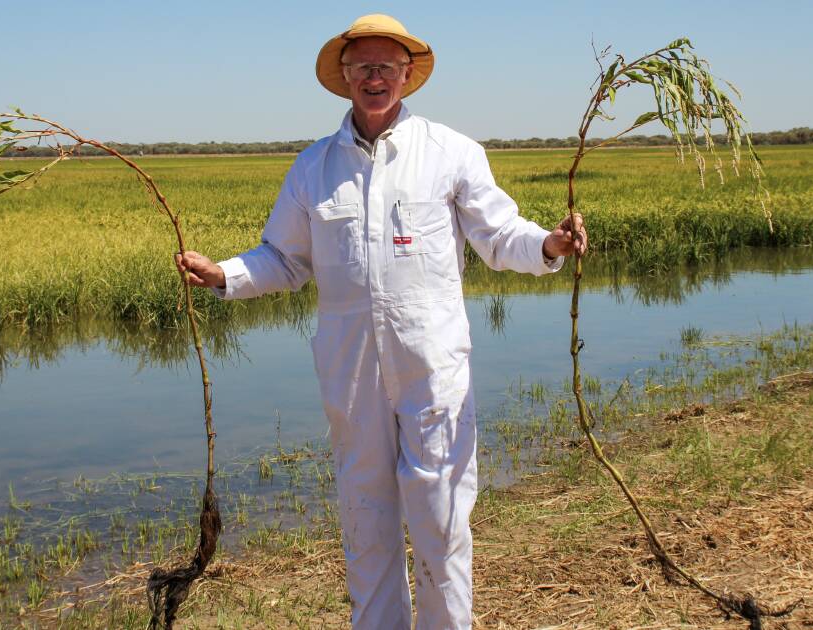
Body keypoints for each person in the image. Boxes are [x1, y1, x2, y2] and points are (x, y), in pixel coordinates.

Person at [175, 14, 585, 630]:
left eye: (386, 67)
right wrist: (224, 274)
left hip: (432, 373)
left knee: (442, 522)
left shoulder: (451, 153)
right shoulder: (314, 168)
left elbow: (500, 236)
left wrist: (549, 245)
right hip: (351, 376)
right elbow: (285, 259)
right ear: (343, 78)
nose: (374, 78)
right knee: (366, 524)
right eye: (362, 66)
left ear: (407, 76)